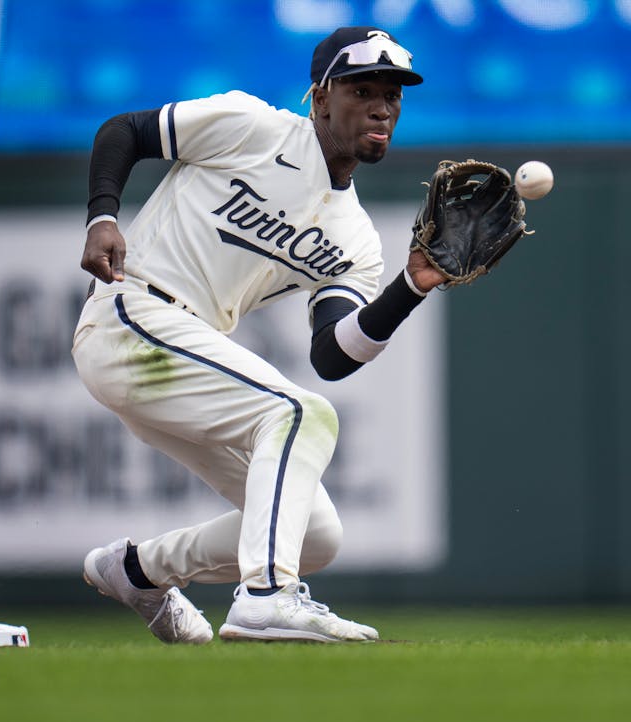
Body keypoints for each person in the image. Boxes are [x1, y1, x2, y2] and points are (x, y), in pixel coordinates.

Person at [74, 27, 454, 643]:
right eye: (363, 89)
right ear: (321, 96)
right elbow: (125, 131)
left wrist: (408, 290)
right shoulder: (251, 126)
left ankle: (139, 570)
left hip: (183, 350)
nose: (382, 106)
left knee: (317, 534)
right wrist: (104, 216)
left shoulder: (355, 240)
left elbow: (331, 353)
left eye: (393, 94)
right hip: (131, 316)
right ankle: (266, 595)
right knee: (303, 414)